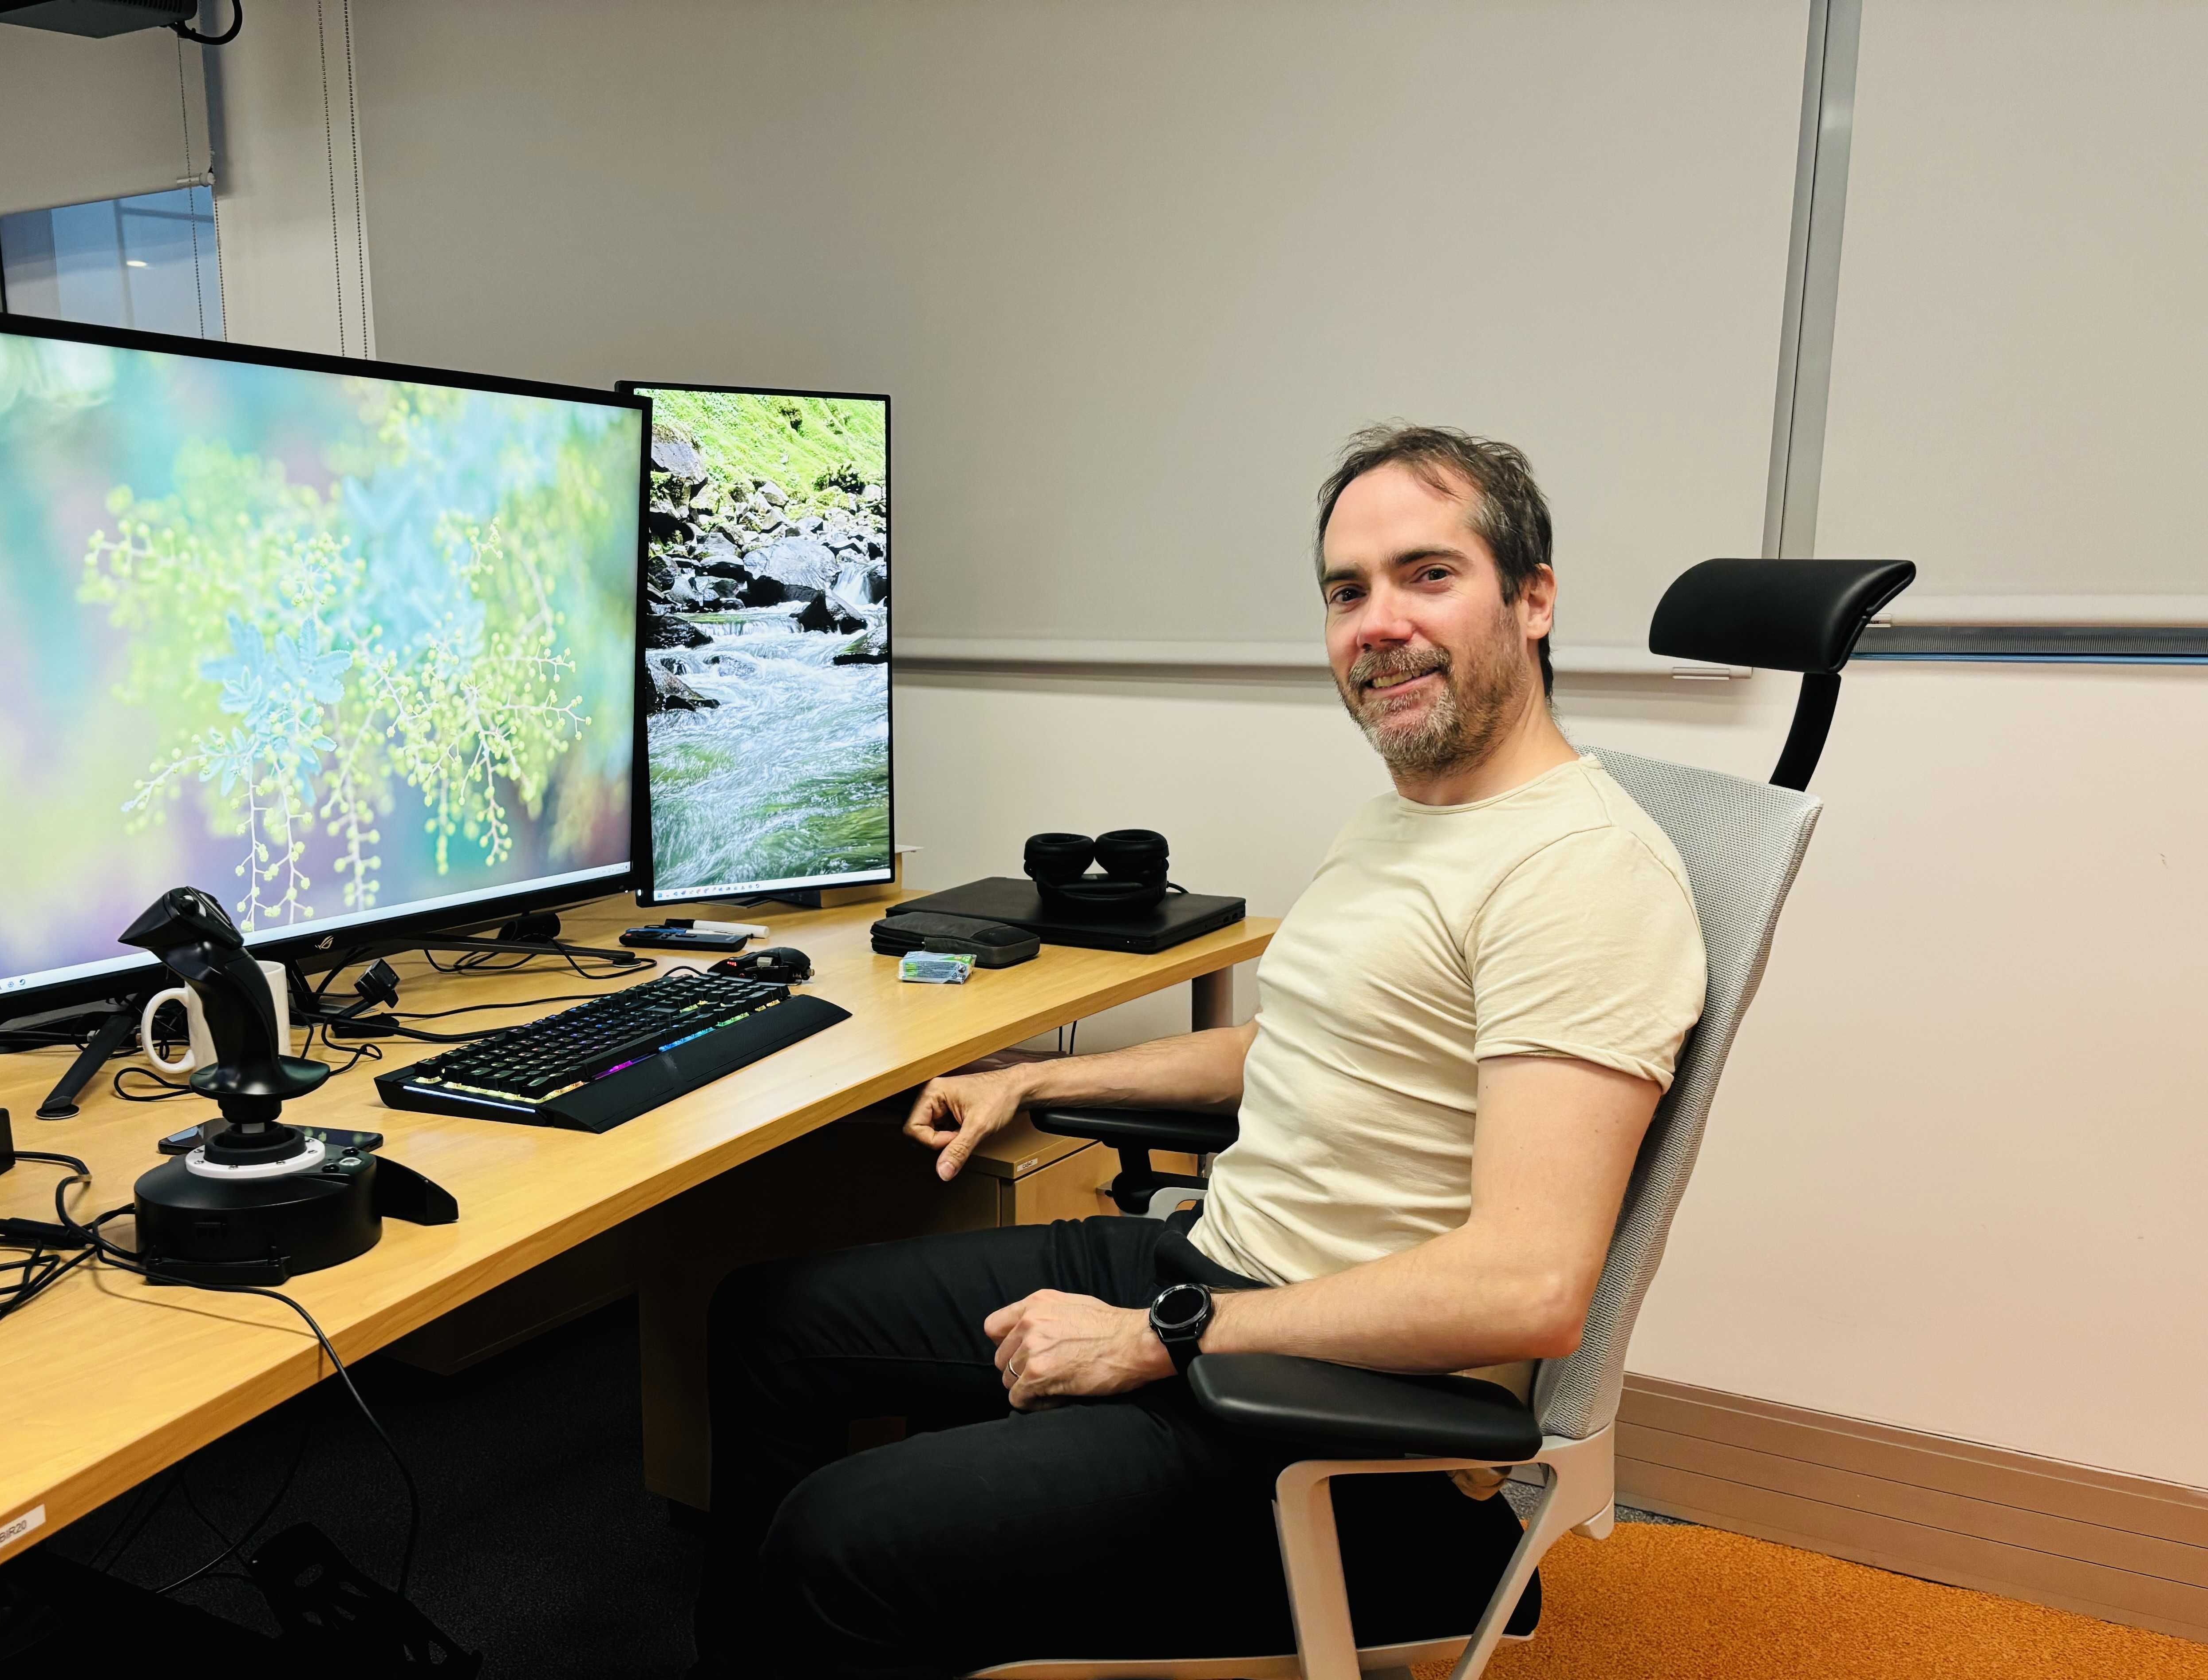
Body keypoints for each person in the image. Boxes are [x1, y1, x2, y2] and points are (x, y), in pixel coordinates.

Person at [691, 424, 1708, 1680]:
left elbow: (1529, 1284)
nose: (1377, 623)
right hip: (1218, 1273)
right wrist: (1038, 1077)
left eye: (1427, 575)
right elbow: (1299, 1052)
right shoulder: (1408, 813)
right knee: (766, 1321)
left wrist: (1161, 1334)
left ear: (1534, 598)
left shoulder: (1584, 875)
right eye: (1348, 591)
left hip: (1327, 1417)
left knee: (834, 1544)